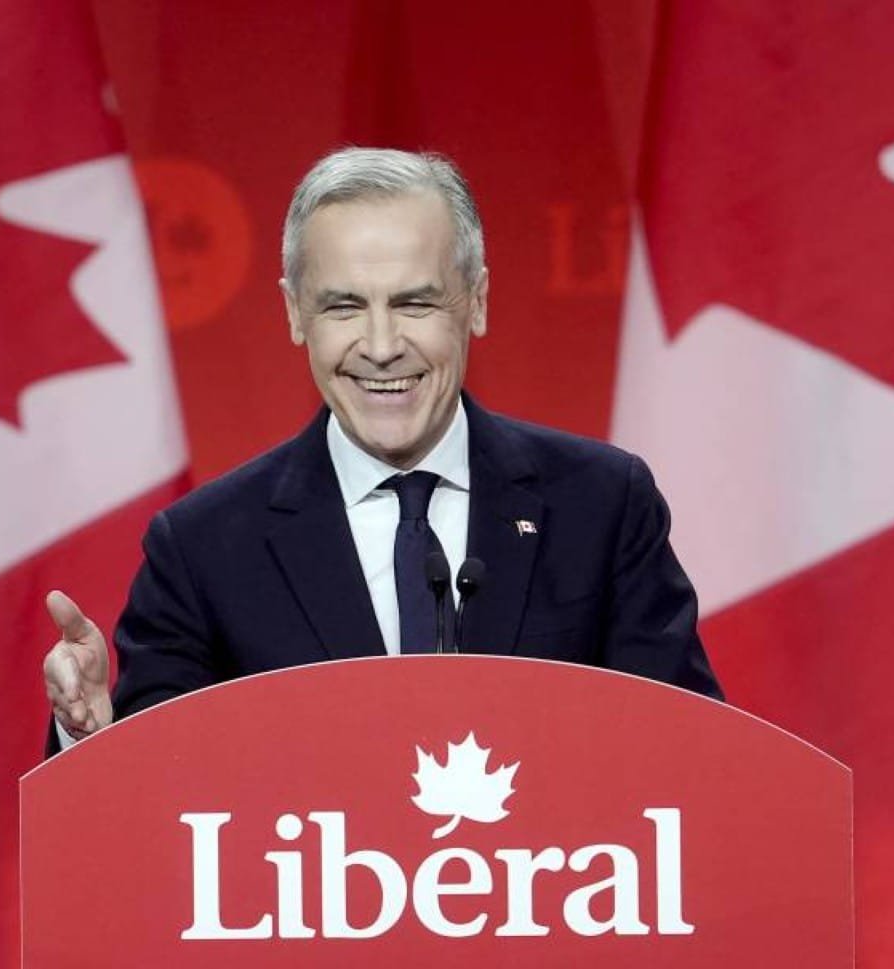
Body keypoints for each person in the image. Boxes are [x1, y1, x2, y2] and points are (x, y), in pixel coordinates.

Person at [42, 147, 720, 750]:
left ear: (477, 301)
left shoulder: (600, 506)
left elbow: (691, 754)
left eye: (415, 303)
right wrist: (91, 736)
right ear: (295, 313)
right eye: (343, 307)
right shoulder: (204, 548)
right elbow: (154, 800)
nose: (381, 345)